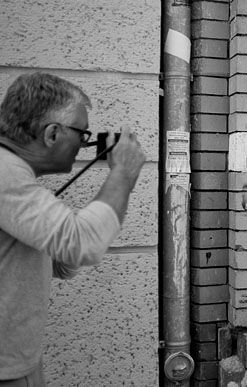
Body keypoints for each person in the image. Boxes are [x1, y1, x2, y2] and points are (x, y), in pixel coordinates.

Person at [0, 72, 146, 386]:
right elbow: (85, 245)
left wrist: (78, 228)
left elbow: (64, 264)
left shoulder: (14, 175)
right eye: (81, 133)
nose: (84, 144)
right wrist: (121, 176)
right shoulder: (5, 173)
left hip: (16, 362)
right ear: (52, 134)